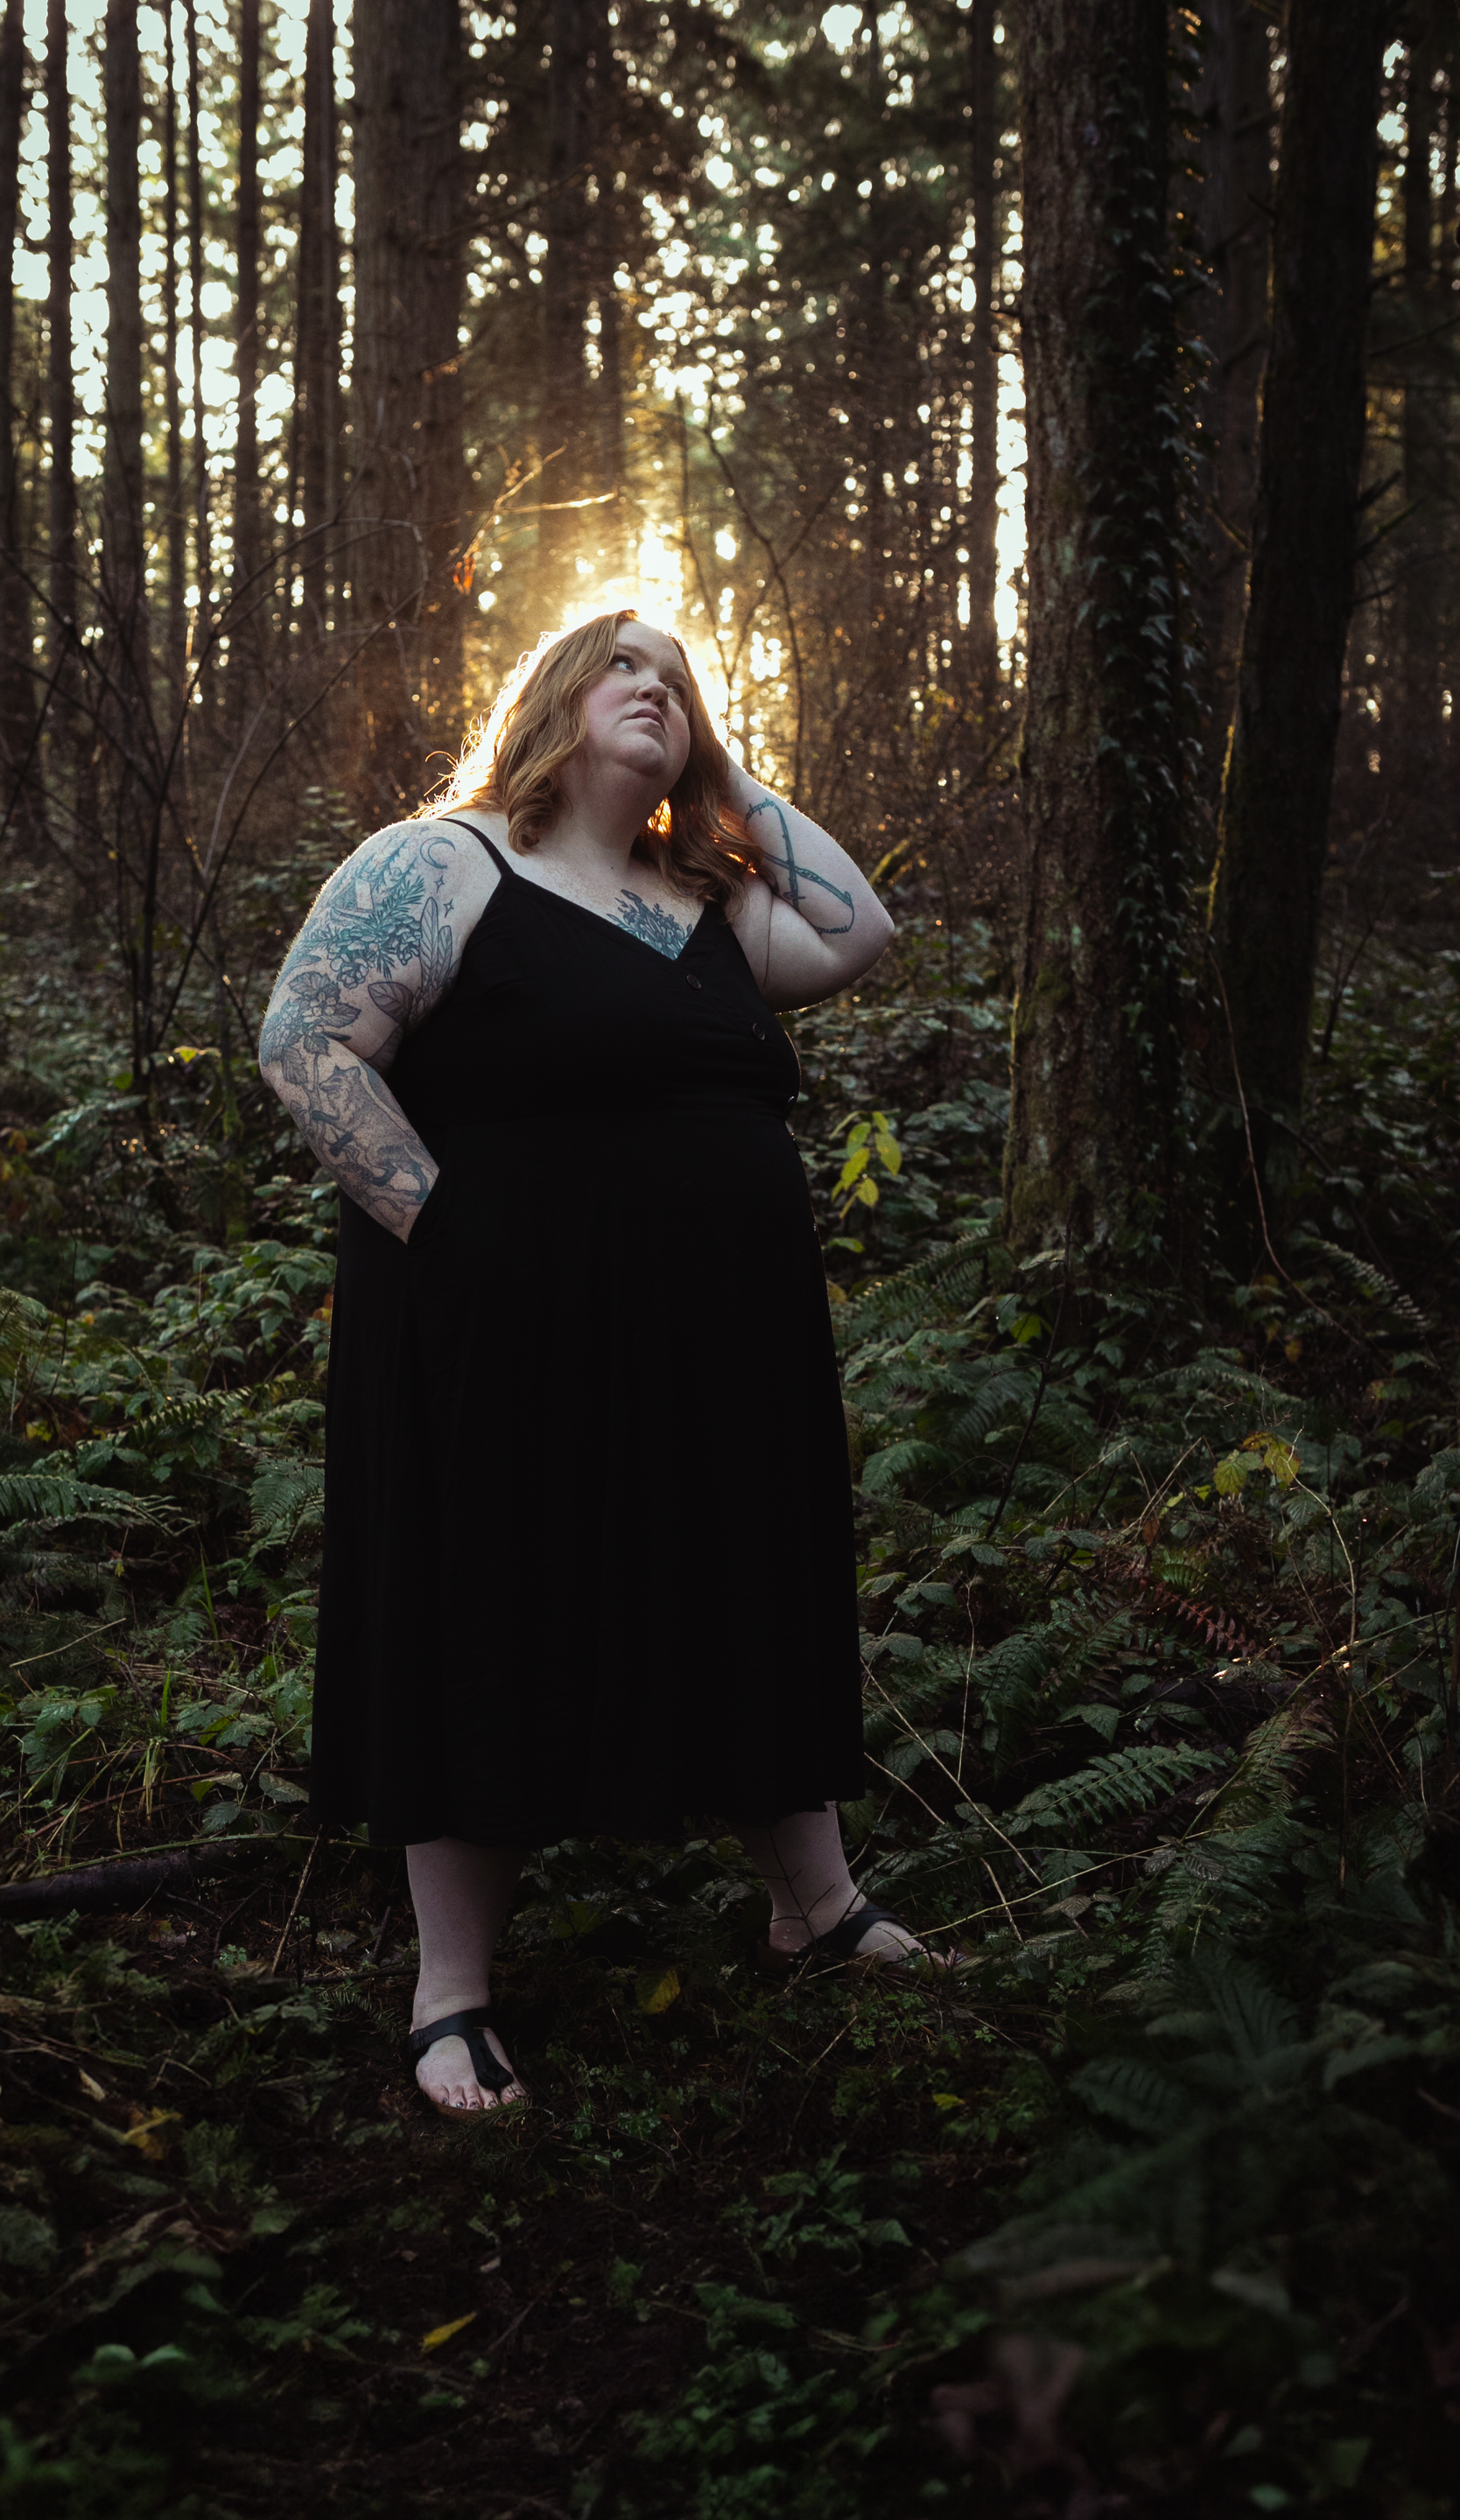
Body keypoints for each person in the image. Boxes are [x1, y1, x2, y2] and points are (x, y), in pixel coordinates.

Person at [258, 609, 933, 2123]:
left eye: (679, 679)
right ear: (556, 698)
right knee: (492, 1594)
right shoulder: (445, 861)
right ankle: (452, 1993)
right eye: (626, 664)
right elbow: (306, 1042)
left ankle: (811, 1908)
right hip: (502, 1317)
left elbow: (861, 934)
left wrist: (728, 772)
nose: (657, 687)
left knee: (742, 1577)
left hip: (721, 1334)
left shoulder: (702, 898)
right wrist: (448, 1229)